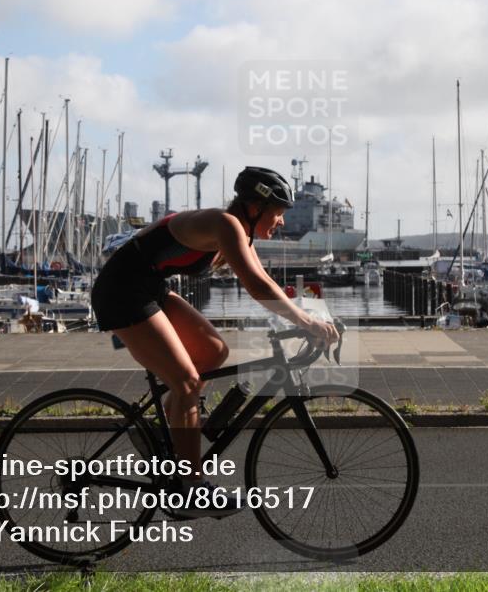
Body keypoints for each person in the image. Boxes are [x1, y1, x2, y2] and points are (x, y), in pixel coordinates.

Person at [91, 167, 339, 516]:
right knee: (187, 382)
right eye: (278, 212)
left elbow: (264, 281)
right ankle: (191, 489)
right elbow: (256, 286)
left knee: (213, 351)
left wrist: (306, 316)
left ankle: (162, 434)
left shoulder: (239, 231)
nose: (282, 221)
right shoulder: (226, 224)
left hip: (148, 287)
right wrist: (308, 323)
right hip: (122, 291)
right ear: (255, 207)